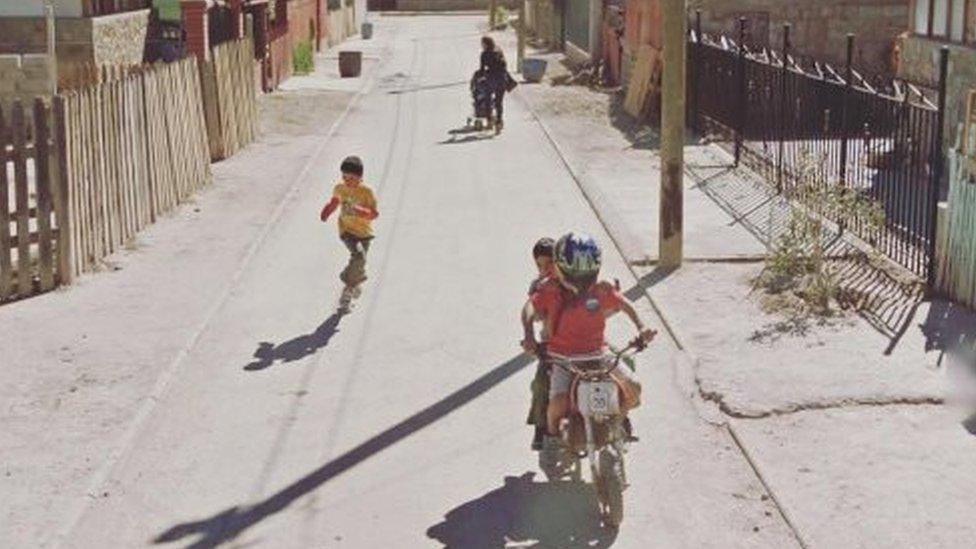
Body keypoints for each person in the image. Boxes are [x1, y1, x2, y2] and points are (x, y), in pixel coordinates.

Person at [520, 233, 655, 445]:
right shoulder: (548, 288)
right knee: (554, 399)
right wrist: (528, 335)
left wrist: (642, 326)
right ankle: (551, 436)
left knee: (633, 388)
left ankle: (618, 420)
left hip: (597, 352)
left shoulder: (601, 287)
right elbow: (530, 307)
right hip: (562, 357)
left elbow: (622, 304)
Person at [320, 156, 379, 310]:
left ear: (360, 177)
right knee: (359, 256)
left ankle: (355, 281)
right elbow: (334, 202)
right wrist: (327, 211)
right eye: (344, 176)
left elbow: (374, 214)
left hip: (364, 233)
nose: (347, 180)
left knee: (360, 261)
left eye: (351, 177)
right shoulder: (340, 188)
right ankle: (348, 291)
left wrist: (360, 210)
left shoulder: (367, 192)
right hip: (346, 230)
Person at [526, 237, 556, 451]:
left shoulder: (573, 281)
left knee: (618, 362)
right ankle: (540, 426)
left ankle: (620, 417)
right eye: (540, 265)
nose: (545, 269)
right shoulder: (538, 286)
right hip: (551, 346)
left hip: (582, 340)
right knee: (541, 384)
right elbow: (533, 312)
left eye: (549, 264)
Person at [479, 36, 508, 134]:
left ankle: (490, 121)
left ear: (486, 44)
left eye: (482, 43)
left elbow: (482, 70)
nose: (481, 45)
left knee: (487, 100)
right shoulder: (499, 50)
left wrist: (479, 77)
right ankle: (499, 123)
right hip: (502, 79)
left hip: (491, 79)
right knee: (499, 102)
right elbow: (504, 65)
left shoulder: (484, 54)